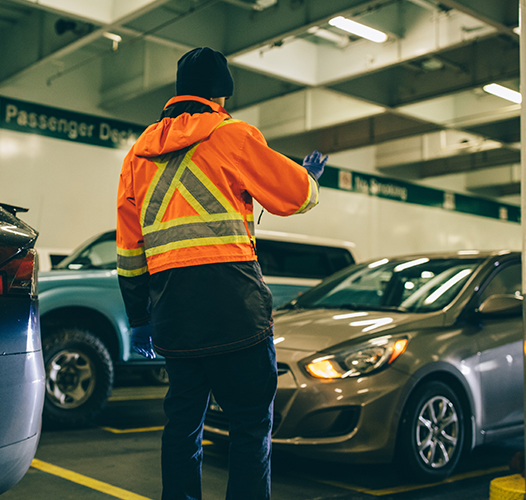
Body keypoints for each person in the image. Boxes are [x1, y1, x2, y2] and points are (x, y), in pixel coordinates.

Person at [116, 46, 326, 500]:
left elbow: (130, 247)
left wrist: (139, 318)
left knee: (182, 427)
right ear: (221, 97)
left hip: (173, 313)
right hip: (236, 311)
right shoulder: (233, 134)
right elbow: (293, 196)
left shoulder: (138, 155)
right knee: (250, 428)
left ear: (178, 95)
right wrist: (309, 180)